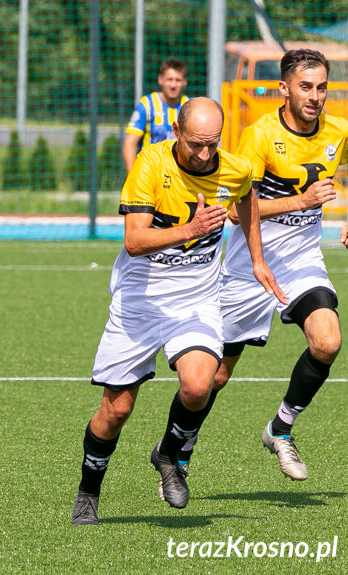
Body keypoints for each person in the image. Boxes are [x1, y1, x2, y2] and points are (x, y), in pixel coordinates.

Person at [71, 98, 283, 526]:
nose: (205, 154)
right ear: (175, 130)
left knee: (200, 384)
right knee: (116, 411)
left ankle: (169, 453)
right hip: (140, 300)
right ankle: (89, 492)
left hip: (197, 299)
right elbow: (134, 240)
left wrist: (257, 260)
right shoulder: (150, 164)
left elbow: (248, 201)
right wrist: (192, 229)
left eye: (212, 144)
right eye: (195, 144)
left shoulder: (234, 168)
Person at [184, 49, 348, 483]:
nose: (315, 97)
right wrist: (303, 201)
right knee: (215, 375)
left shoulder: (338, 131)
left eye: (321, 88)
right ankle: (177, 453)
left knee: (328, 341)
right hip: (248, 265)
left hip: (301, 261)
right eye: (305, 87)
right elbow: (240, 211)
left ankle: (281, 428)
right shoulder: (259, 136)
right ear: (284, 89)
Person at [123, 59, 189, 171]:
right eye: (169, 79)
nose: (173, 85)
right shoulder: (147, 104)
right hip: (149, 173)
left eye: (178, 80)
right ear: (160, 80)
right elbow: (130, 143)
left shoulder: (188, 106)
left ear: (184, 82)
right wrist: (133, 178)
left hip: (178, 176)